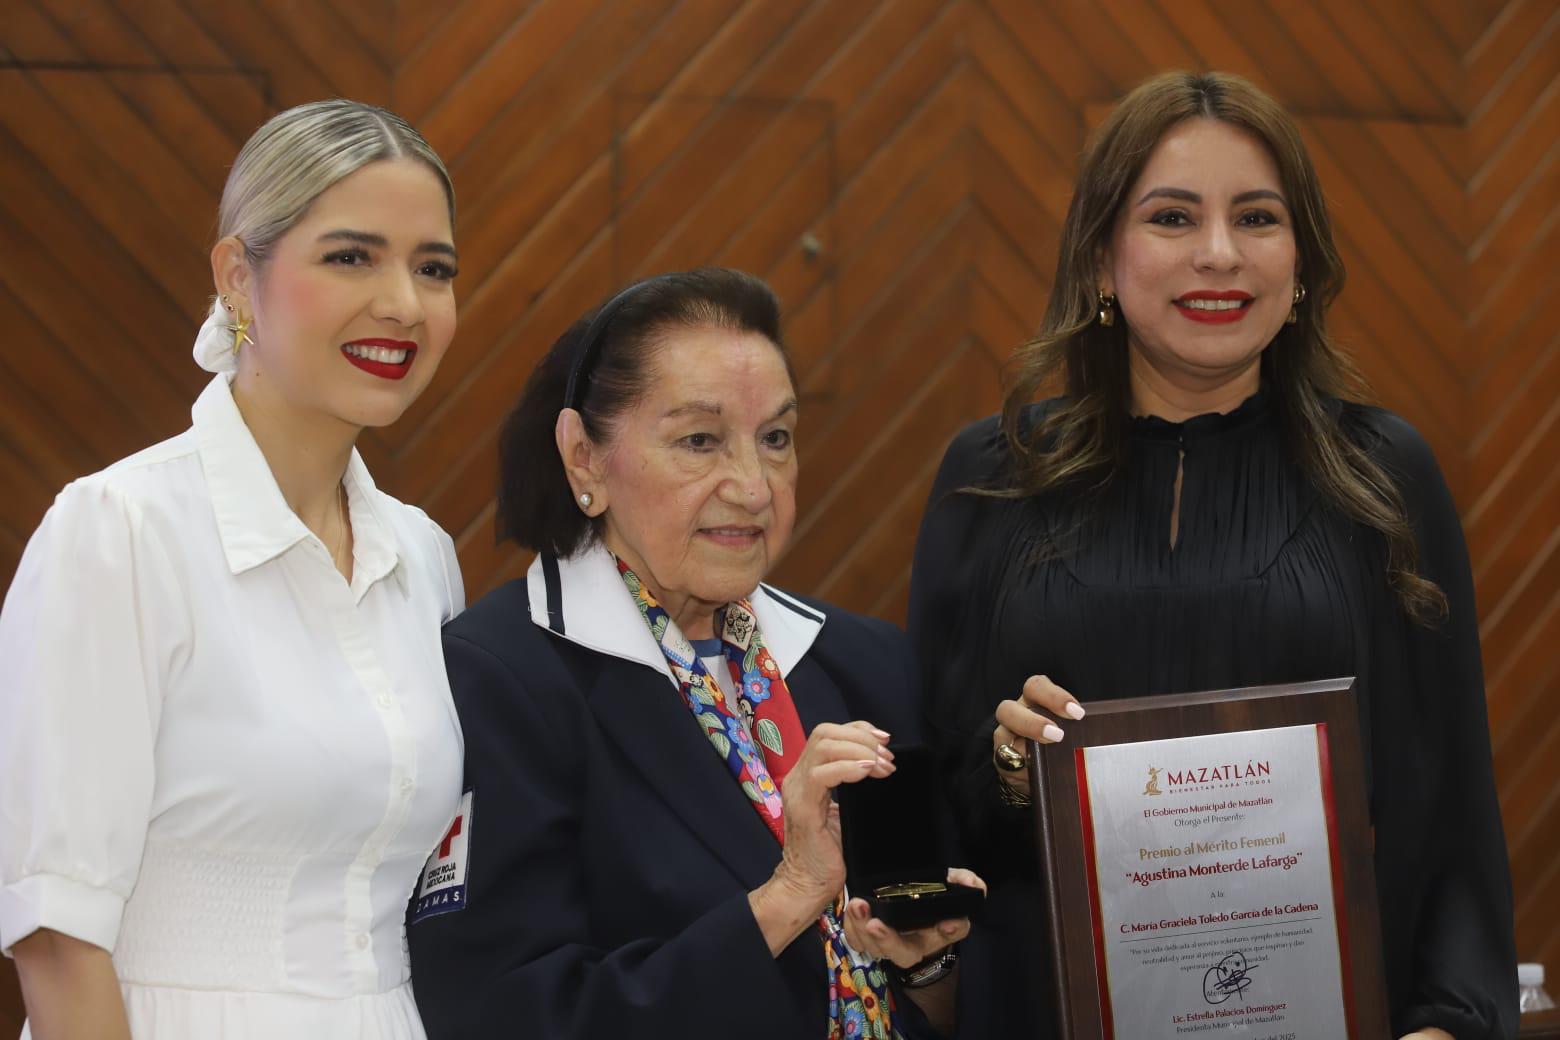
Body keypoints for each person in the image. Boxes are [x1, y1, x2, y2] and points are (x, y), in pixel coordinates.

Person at [908, 71, 1517, 1040]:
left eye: (1259, 217)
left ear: (1303, 260)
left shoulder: (1385, 472)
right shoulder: (992, 476)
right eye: (1174, 216)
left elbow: (1447, 814)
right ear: (1103, 259)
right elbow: (930, 801)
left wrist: (1444, 1023)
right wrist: (1008, 764)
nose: (1220, 254)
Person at [407, 268, 983, 1039]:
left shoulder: (865, 661)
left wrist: (927, 965)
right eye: (699, 440)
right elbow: (505, 1018)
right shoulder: (502, 677)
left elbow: (950, 1007)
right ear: (585, 459)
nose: (752, 486)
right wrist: (788, 896)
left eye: (775, 439)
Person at [0, 100, 466, 1039]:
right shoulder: (119, 533)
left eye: (433, 268)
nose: (404, 304)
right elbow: (55, 936)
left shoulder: (422, 555)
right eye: (351, 256)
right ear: (237, 278)